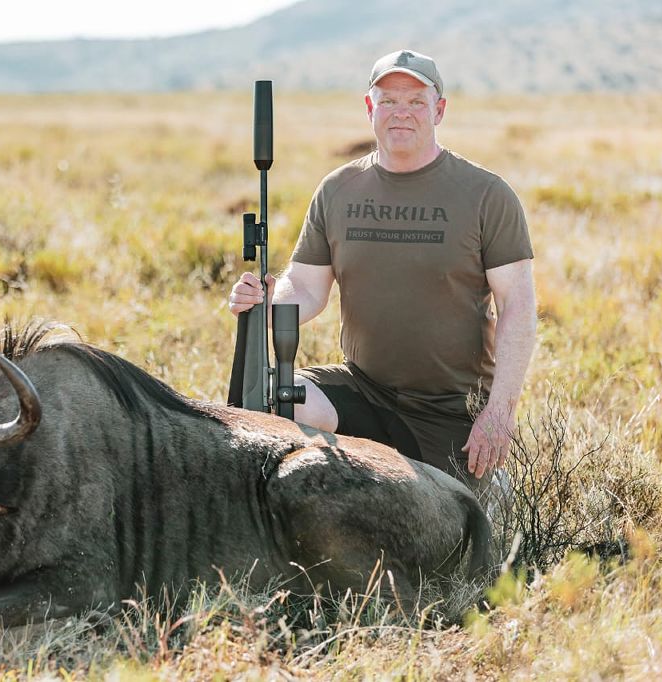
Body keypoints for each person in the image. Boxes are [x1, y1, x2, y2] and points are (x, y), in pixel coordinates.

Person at [228, 49, 537, 495]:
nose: (401, 113)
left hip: (449, 409)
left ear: (440, 110)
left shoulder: (486, 194)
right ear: (370, 109)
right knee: (276, 399)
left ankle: (489, 488)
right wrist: (268, 301)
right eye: (388, 101)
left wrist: (500, 411)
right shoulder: (337, 190)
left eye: (415, 101)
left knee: (444, 536)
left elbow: (518, 304)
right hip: (364, 388)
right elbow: (306, 288)